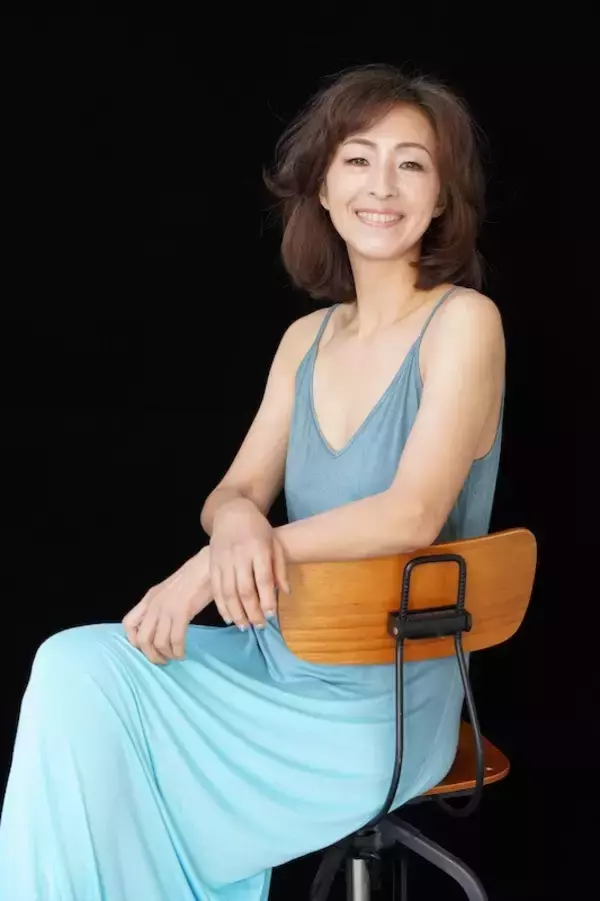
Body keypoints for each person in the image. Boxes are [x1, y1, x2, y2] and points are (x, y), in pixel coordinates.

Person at [0, 64, 505, 901]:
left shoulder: (465, 322)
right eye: (358, 159)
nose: (382, 185)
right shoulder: (306, 339)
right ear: (323, 188)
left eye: (411, 164)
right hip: (278, 660)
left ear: (442, 197)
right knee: (74, 668)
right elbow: (231, 491)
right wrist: (235, 523)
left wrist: (213, 565)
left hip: (383, 708)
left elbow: (413, 512)